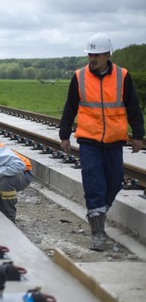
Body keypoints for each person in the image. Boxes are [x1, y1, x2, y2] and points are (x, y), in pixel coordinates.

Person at [59, 33, 144, 251]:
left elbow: (133, 106)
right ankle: (97, 232)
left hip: (115, 141)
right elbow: (70, 107)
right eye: (90, 55)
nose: (92, 59)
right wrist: (64, 134)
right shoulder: (79, 77)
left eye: (96, 55)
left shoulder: (122, 76)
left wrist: (138, 134)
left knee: (114, 183)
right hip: (89, 140)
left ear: (108, 55)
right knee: (94, 183)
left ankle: (98, 212)